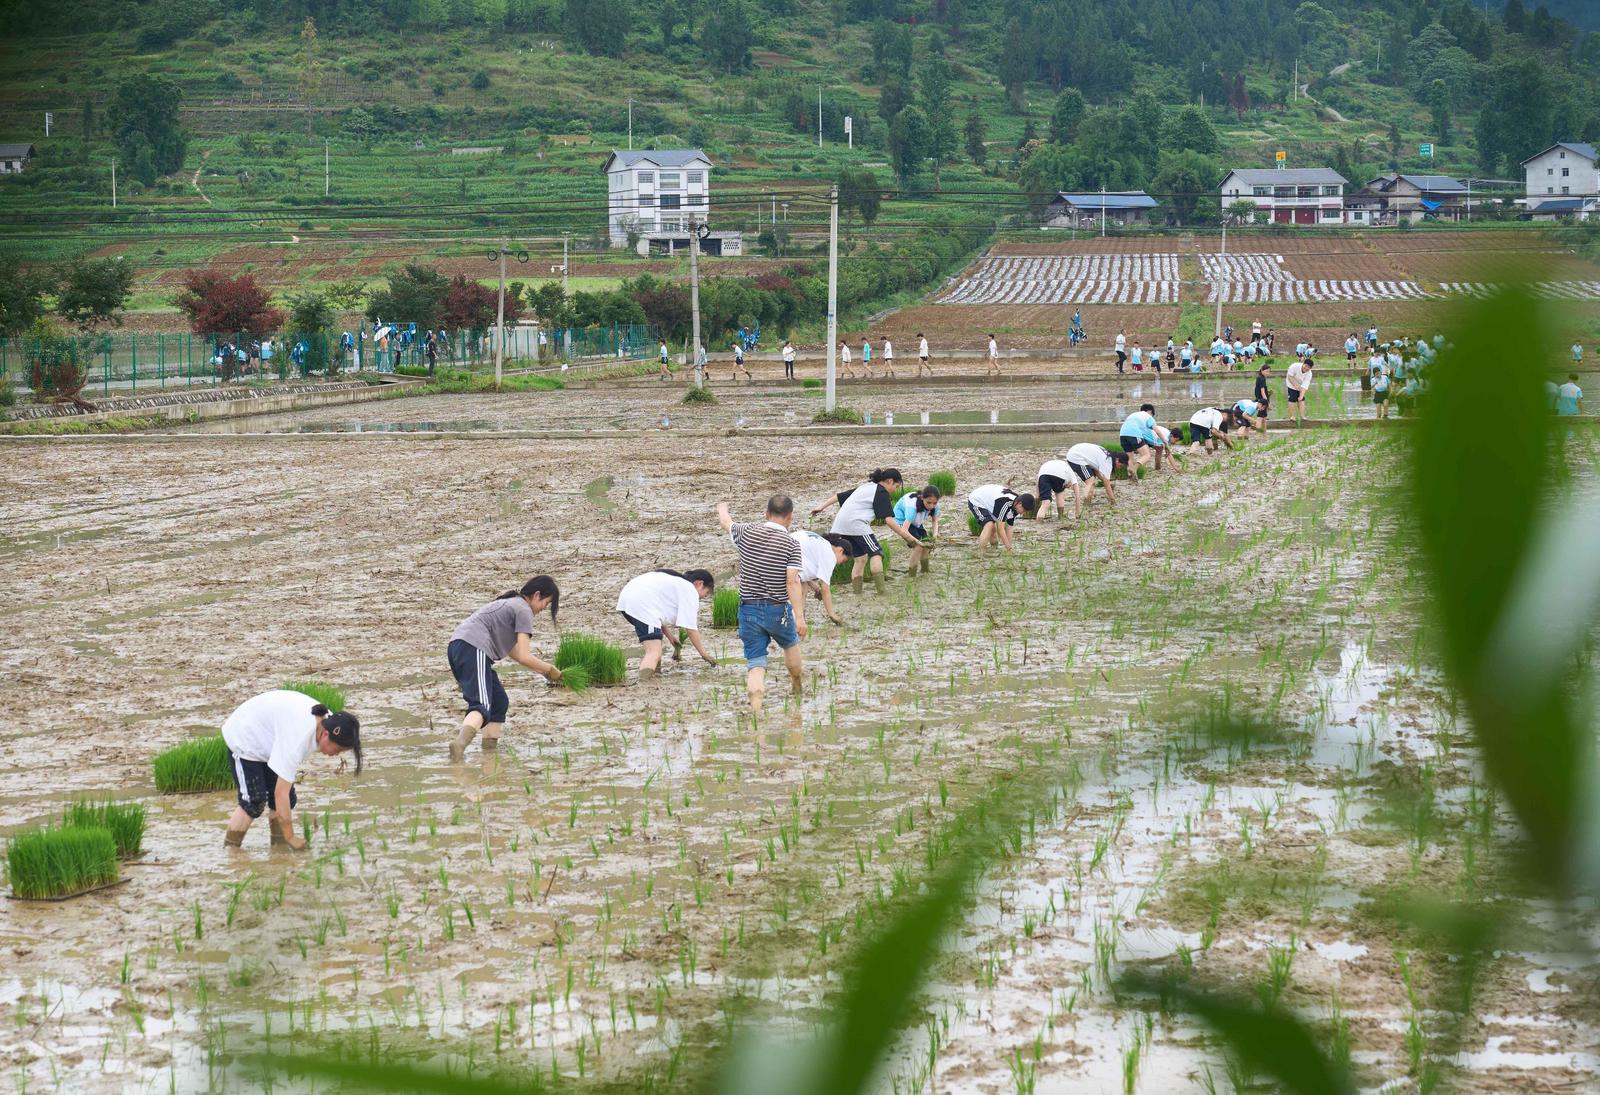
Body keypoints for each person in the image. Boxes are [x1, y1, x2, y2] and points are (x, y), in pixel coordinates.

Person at [222, 689, 362, 850]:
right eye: (337, 749)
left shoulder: (331, 721)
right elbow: (280, 792)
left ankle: (278, 848)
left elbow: (282, 794)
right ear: (325, 734)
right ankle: (231, 852)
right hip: (245, 735)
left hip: (269, 737)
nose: (335, 754)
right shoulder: (298, 737)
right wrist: (291, 837)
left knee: (288, 799)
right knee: (253, 801)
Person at [446, 576, 561, 760]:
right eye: (545, 604)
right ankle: (459, 746)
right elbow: (524, 655)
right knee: (481, 705)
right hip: (473, 648)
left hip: (460, 647)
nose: (542, 610)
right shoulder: (524, 610)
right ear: (537, 595)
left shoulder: (511, 604)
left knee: (499, 702)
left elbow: (514, 653)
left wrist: (543, 672)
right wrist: (551, 670)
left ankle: (489, 755)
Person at [716, 495, 807, 716]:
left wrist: (722, 506)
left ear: (766, 514)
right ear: (790, 517)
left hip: (748, 609)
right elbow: (792, 581)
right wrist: (800, 616)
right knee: (790, 645)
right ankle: (797, 687)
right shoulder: (792, 544)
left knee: (755, 664)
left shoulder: (746, 532)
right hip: (778, 608)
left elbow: (725, 522)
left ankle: (756, 711)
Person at [811, 468, 924, 593]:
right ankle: (882, 592)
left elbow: (839, 496)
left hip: (840, 524)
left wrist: (821, 507)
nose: (895, 490)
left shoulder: (866, 487)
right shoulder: (881, 491)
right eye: (896, 486)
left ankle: (854, 593)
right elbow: (889, 520)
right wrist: (908, 538)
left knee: (860, 558)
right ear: (890, 481)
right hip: (856, 524)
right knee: (876, 553)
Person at [616, 569, 716, 679]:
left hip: (629, 601)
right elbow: (691, 630)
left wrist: (670, 636)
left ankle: (655, 677)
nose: (703, 597)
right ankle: (643, 684)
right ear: (699, 584)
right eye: (706, 593)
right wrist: (704, 654)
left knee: (656, 645)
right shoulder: (690, 590)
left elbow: (658, 610)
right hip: (641, 604)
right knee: (653, 652)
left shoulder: (676, 583)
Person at [793, 530, 850, 624]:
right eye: (843, 560)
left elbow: (804, 572)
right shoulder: (830, 555)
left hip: (778, 550)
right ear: (840, 550)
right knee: (801, 589)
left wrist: (816, 588)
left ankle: (800, 620)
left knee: (802, 585)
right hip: (785, 556)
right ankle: (798, 621)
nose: (839, 564)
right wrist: (832, 615)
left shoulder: (821, 543)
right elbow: (825, 588)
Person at [967, 484, 1036, 552]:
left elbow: (1009, 527)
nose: (1022, 513)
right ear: (1019, 503)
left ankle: (994, 550)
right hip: (977, 500)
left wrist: (1009, 546)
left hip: (990, 503)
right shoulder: (1005, 503)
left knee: (993, 530)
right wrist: (1009, 548)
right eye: (1024, 510)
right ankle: (981, 553)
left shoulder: (1016, 506)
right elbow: (1001, 530)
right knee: (989, 525)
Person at [892, 485, 942, 573]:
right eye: (929, 502)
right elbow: (904, 529)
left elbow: (935, 521)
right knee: (918, 546)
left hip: (916, 520)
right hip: (902, 520)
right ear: (922, 498)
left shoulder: (935, 506)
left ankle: (925, 570)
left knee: (926, 543)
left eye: (934, 503)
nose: (931, 506)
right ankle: (912, 573)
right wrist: (918, 542)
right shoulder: (912, 508)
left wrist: (934, 537)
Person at [1120, 404, 1180, 477]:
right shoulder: (1148, 417)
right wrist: (1165, 442)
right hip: (1134, 434)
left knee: (1130, 458)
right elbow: (1157, 431)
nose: (1152, 416)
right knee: (1147, 455)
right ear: (1150, 411)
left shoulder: (1134, 414)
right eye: (1152, 415)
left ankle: (1131, 476)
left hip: (1122, 434)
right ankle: (1135, 467)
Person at [1285, 356, 1314, 427]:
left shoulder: (1309, 373)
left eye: (1309, 368)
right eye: (1306, 366)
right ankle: (1292, 416)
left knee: (1302, 400)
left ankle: (1302, 416)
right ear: (1303, 364)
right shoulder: (1294, 366)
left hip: (1301, 385)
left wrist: (1301, 395)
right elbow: (1290, 376)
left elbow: (1305, 385)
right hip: (1291, 384)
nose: (1307, 368)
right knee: (1292, 399)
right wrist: (1296, 385)